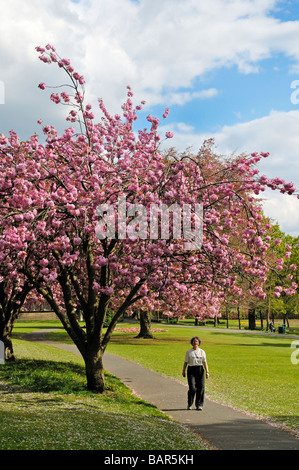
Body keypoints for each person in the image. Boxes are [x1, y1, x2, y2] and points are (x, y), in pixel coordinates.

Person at [182, 336, 209, 410]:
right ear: (192, 343)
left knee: (201, 387)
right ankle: (190, 403)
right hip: (191, 370)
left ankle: (199, 404)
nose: (195, 343)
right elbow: (185, 362)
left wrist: (207, 372)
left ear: (199, 343)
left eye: (196, 341)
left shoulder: (202, 352)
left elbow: (204, 362)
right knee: (192, 388)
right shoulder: (189, 352)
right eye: (194, 341)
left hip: (200, 369)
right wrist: (183, 371)